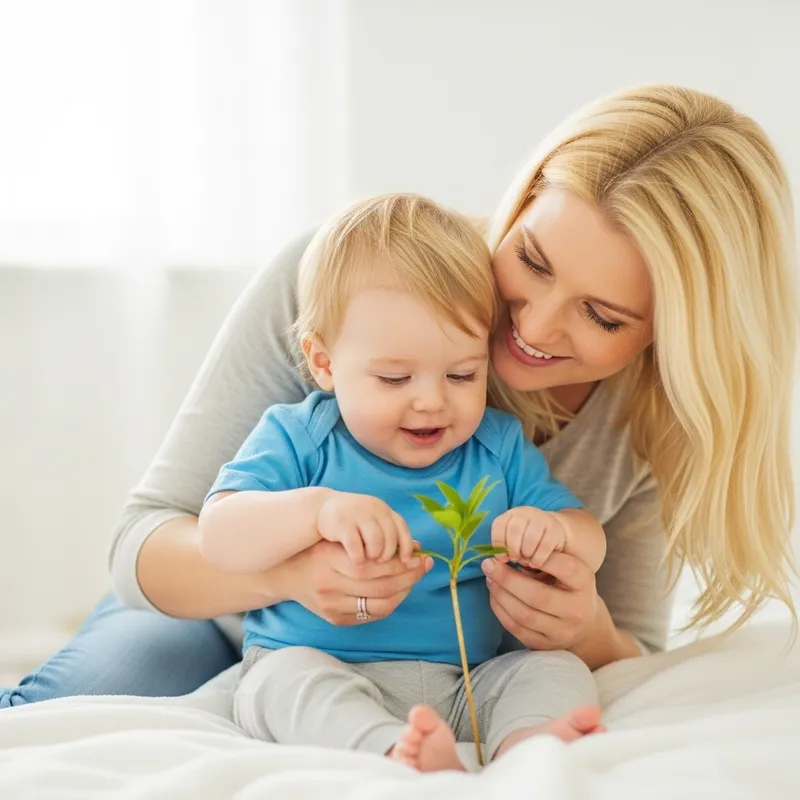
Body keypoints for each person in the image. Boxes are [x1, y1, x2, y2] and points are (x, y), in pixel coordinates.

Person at [2, 84, 796, 710]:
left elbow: (634, 653)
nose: (533, 325)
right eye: (534, 259)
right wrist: (285, 578)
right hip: (221, 623)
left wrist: (585, 631)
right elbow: (142, 545)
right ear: (520, 204)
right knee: (68, 709)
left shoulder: (652, 416)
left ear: (672, 335)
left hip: (447, 676)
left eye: (603, 315)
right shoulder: (355, 279)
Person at [199, 194, 607, 771]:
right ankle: (391, 752)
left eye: (463, 374)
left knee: (553, 668)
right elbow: (218, 535)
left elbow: (590, 538)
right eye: (394, 378)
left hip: (465, 679)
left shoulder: (496, 446)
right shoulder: (300, 437)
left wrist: (555, 533)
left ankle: (529, 752)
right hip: (323, 662)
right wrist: (314, 511)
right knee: (278, 684)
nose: (431, 401)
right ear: (324, 363)